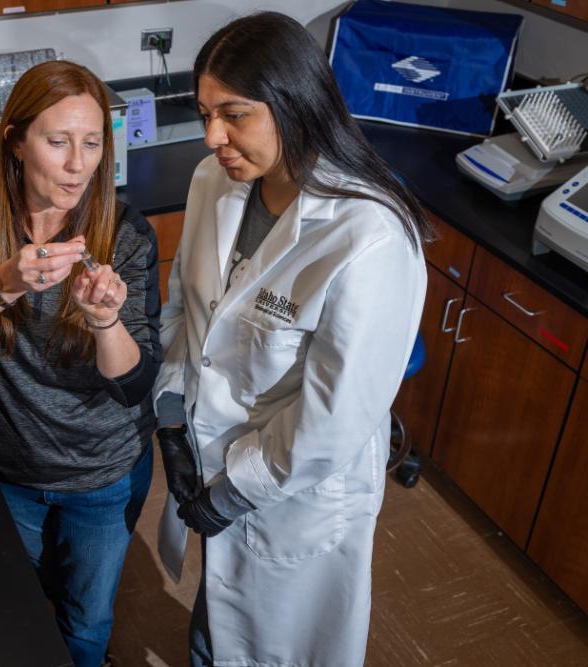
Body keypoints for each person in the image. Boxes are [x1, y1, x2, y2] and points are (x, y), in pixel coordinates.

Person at [153, 12, 432, 667]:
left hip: (294, 493)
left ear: (295, 105)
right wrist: (170, 408)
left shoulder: (368, 236)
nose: (212, 135)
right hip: (210, 464)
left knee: (275, 645)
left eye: (234, 114)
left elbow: (337, 415)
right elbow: (183, 310)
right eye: (203, 112)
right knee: (216, 621)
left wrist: (236, 487)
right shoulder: (211, 182)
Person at [0, 60, 161, 667]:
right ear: (15, 141)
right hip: (7, 472)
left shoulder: (123, 234)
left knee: (86, 623)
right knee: (7, 607)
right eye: (58, 141)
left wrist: (105, 322)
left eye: (93, 142)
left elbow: (135, 384)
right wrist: (4, 283)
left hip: (103, 475)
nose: (79, 164)